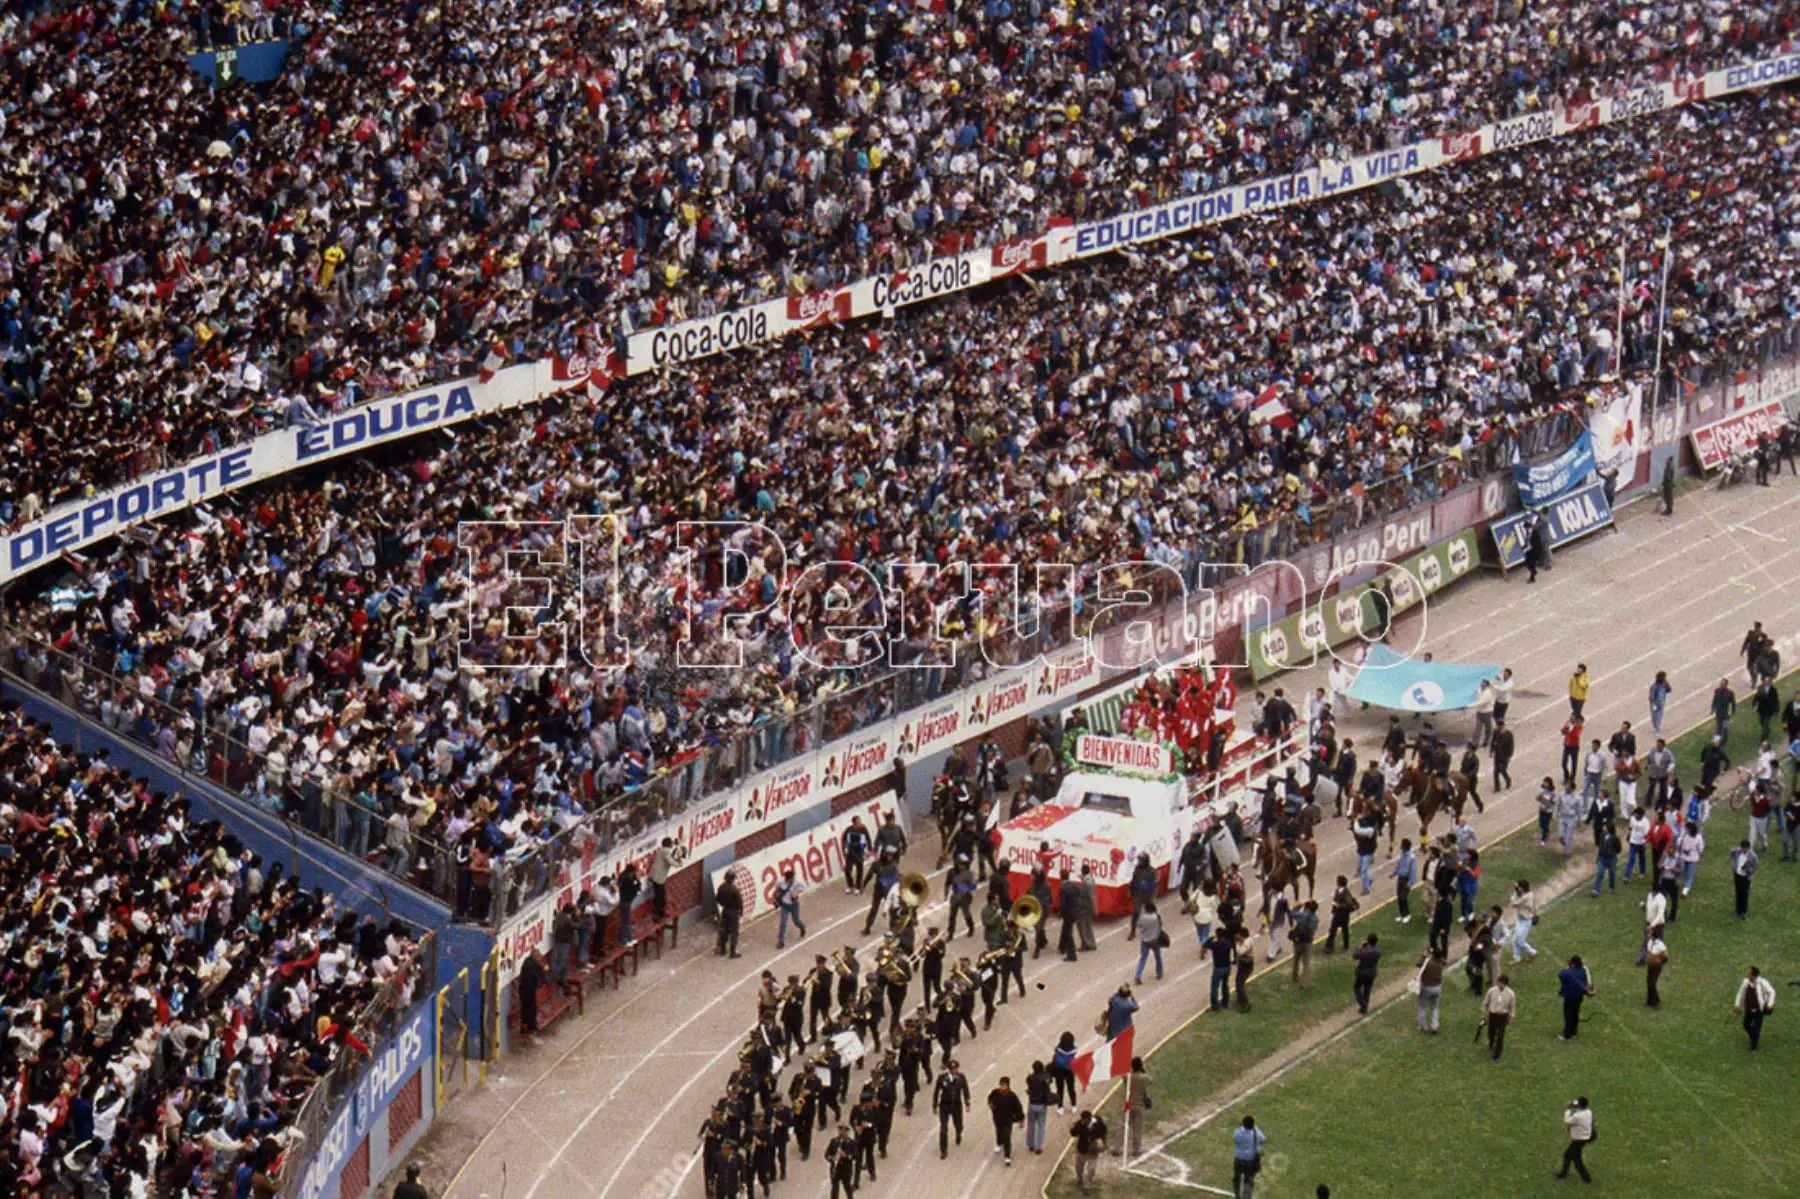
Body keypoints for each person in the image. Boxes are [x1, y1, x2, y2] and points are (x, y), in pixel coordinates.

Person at [932, 1061, 970, 1159]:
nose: (956, 1070)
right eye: (954, 1069)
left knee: (959, 1124)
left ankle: (958, 1133)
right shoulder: (942, 1078)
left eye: (957, 1068)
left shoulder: (961, 1077)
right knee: (943, 1128)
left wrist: (967, 1103)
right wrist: (935, 1105)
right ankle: (943, 1150)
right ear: (950, 1069)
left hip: (956, 1105)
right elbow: (936, 1091)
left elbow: (965, 1090)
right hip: (945, 1105)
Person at [1734, 966, 1777, 1050]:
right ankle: (1753, 1036)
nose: (1747, 975)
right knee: (1746, 1025)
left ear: (1754, 975)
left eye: (1749, 974)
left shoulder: (1762, 983)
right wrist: (1737, 1004)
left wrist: (1770, 1004)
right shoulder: (1745, 982)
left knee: (1757, 1026)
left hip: (1759, 1009)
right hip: (1748, 1008)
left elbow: (1772, 992)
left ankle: (1754, 1044)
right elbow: (1740, 993)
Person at [986, 1077, 1025, 1166]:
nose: (1002, 1087)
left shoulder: (1012, 1096)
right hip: (997, 1117)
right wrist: (991, 1105)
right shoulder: (995, 1092)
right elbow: (990, 1099)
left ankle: (1007, 1156)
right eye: (1001, 1085)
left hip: (1008, 1119)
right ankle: (999, 1143)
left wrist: (1021, 1119)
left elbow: (1018, 1108)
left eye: (1004, 1085)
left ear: (1008, 1085)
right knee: (998, 1131)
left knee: (1007, 1136)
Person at [1119, 1058, 1153, 1158]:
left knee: (1123, 1126)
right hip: (1140, 1105)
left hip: (1129, 1104)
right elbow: (1150, 1080)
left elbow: (1124, 1076)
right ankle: (1136, 1150)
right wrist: (1143, 1070)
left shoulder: (1128, 1077)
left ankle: (1117, 1147)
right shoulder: (1143, 1078)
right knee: (1137, 1129)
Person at [1557, 1098, 1595, 1183]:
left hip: (1578, 1140)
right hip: (1584, 1138)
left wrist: (1568, 1109)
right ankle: (1563, 1173)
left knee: (1576, 1160)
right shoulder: (1588, 1112)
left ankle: (1586, 1178)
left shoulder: (1578, 1116)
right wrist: (1574, 1105)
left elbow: (1567, 1121)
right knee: (1568, 1155)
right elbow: (1578, 1109)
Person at [1071, 1110, 1109, 1195]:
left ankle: (1088, 1185)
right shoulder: (1080, 1123)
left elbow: (1104, 1130)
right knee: (1078, 1168)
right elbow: (1074, 1133)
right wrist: (1072, 1129)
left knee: (1091, 1169)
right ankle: (1079, 1179)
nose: (1083, 1122)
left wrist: (1102, 1140)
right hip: (1081, 1150)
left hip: (1093, 1152)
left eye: (1084, 1120)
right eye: (1082, 1120)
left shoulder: (1098, 1122)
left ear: (1089, 1118)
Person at [1558, 956, 1594, 1041]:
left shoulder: (1567, 972)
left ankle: (1567, 1034)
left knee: (1568, 1016)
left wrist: (1569, 967)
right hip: (1579, 997)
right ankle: (1574, 1031)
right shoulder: (1583, 970)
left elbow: (1561, 974)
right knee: (1575, 1014)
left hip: (1570, 997)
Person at [1231, 1115, 1267, 1199]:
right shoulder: (1256, 1133)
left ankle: (1237, 1195)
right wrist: (1255, 1128)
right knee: (1248, 1181)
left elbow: (1235, 1139)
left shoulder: (1238, 1132)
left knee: (1236, 1178)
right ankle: (1246, 1197)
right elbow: (1263, 1139)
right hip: (1250, 1160)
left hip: (1239, 1159)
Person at [1482, 975, 1517, 1060]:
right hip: (1493, 1014)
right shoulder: (1492, 991)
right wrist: (1483, 1013)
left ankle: (1497, 1054)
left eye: (1502, 983)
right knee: (1491, 1031)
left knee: (1501, 1034)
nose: (1500, 985)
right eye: (1499, 983)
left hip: (1502, 1016)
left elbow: (1512, 1006)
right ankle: (1491, 1043)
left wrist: (1511, 1016)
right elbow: (1486, 1002)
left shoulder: (1511, 994)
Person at [1416, 947, 1446, 1033]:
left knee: (1421, 1007)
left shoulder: (1428, 963)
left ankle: (1423, 1026)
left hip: (1426, 987)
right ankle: (1434, 1026)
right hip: (1437, 987)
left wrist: (1424, 956)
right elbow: (1444, 961)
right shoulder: (1441, 961)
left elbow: (1418, 964)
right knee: (1435, 1007)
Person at [1023, 1062, 1052, 1156]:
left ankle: (1030, 1145)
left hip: (1032, 1104)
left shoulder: (1030, 1078)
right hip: (1041, 1105)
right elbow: (1050, 1080)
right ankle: (1038, 1147)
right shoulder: (1045, 1078)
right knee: (1041, 1125)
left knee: (1031, 1124)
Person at [774, 869, 807, 949]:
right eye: (787, 879)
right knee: (783, 923)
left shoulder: (798, 882)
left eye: (790, 879)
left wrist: (797, 893)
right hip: (785, 905)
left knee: (796, 921)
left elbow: (805, 887)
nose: (788, 880)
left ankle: (802, 927)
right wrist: (778, 898)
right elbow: (776, 890)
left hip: (794, 905)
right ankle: (781, 941)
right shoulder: (781, 882)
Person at [1135, 901, 1166, 983]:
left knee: (1143, 958)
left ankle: (1138, 975)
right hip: (1155, 940)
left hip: (1144, 941)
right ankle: (1159, 973)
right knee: (1158, 957)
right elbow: (1162, 924)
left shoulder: (1143, 917)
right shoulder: (1157, 916)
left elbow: (1138, 925)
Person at [1509, 880, 1539, 963]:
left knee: (1520, 941)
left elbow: (1513, 903)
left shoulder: (1526, 897)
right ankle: (1516, 958)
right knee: (1515, 939)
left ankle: (1533, 952)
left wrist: (1515, 893)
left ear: (1521, 888)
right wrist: (1517, 891)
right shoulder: (1526, 895)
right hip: (1520, 920)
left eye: (1519, 887)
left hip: (1526, 922)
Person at [1206, 927, 1236, 1011]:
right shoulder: (1228, 943)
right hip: (1227, 967)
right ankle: (1225, 1003)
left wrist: (1212, 938)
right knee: (1225, 985)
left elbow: (1207, 944)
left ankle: (1215, 1006)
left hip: (1218, 968)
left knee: (1214, 986)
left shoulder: (1215, 944)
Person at [1290, 901, 1319, 987]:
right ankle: (1304, 982)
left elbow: (1291, 913)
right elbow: (1313, 930)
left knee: (1296, 959)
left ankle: (1294, 976)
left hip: (1298, 940)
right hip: (1308, 942)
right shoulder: (1316, 919)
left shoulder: (1301, 915)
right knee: (1306, 963)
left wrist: (1299, 905)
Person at [1351, 934, 1381, 1014]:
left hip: (1362, 972)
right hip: (1372, 972)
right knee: (1367, 990)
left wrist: (1360, 947)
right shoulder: (1378, 951)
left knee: (1357, 988)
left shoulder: (1365, 951)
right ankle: (1364, 1008)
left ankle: (1362, 1003)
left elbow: (1355, 955)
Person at [716, 873, 744, 959]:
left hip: (725, 910)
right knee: (734, 933)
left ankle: (723, 949)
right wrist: (741, 911)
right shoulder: (734, 890)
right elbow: (740, 903)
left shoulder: (721, 887)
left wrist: (724, 905)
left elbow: (718, 899)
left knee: (725, 930)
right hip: (734, 912)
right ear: (732, 879)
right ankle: (732, 952)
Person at [1729, 839, 1758, 918]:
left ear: (1748, 848)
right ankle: (1738, 910)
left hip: (1745, 877)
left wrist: (1747, 870)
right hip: (1737, 875)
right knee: (1738, 892)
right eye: (1742, 848)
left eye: (1745, 848)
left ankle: (1744, 912)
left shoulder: (1753, 856)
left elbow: (1754, 868)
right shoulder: (1737, 851)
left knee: (1744, 894)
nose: (1743, 850)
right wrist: (1733, 864)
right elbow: (1731, 853)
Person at [1391, 839, 1417, 923]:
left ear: (1404, 847)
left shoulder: (1412, 858)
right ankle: (1402, 914)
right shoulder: (1401, 855)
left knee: (1403, 897)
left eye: (1401, 845)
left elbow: (1413, 871)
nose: (1400, 846)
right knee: (1399, 897)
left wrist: (1410, 883)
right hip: (1400, 878)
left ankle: (1407, 914)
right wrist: (1393, 874)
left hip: (1406, 880)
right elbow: (1398, 865)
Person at [1644, 933, 1667, 1008]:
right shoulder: (1650, 942)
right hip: (1651, 965)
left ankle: (1655, 1001)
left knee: (1652, 983)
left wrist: (1660, 961)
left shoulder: (1660, 944)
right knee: (1649, 982)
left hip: (1657, 965)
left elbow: (1665, 955)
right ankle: (1650, 1001)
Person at [1491, 719, 1515, 791]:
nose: (1498, 727)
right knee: (1495, 771)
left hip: (1505, 755)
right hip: (1497, 754)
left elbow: (1511, 745)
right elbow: (1493, 741)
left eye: (1499, 726)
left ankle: (1508, 780)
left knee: (1502, 769)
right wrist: (1491, 751)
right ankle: (1497, 787)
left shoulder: (1508, 734)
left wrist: (1510, 755)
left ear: (1502, 726)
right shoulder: (1496, 732)